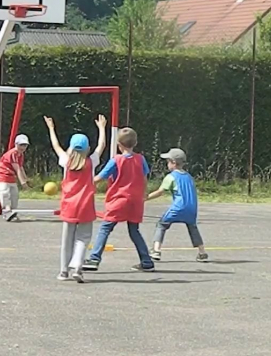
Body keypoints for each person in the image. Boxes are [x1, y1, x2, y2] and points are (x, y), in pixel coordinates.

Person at [44, 115, 107, 283]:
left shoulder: (66, 160)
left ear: (71, 148)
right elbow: (102, 146)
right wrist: (102, 128)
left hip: (69, 206)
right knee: (83, 238)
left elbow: (56, 145)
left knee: (67, 240)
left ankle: (64, 271)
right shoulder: (91, 161)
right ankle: (77, 266)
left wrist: (51, 128)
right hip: (86, 206)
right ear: (87, 149)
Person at [83, 127, 155, 272]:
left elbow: (99, 178)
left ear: (119, 145)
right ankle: (146, 261)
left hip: (119, 200)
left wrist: (84, 184)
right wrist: (144, 193)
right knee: (134, 230)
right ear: (135, 143)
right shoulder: (140, 159)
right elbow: (144, 178)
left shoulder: (116, 160)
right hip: (135, 201)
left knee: (105, 228)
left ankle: (94, 259)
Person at [146, 148, 208, 262]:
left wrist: (146, 198)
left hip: (178, 208)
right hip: (192, 208)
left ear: (173, 163)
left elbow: (160, 192)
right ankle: (202, 252)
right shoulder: (189, 177)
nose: (167, 164)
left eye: (168, 162)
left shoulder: (171, 177)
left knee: (161, 224)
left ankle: (156, 250)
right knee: (192, 227)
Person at [0, 134, 31, 222]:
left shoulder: (21, 155)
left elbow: (21, 168)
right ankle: (6, 211)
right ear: (16, 144)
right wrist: (23, 183)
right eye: (21, 145)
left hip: (11, 177)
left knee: (15, 195)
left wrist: (26, 179)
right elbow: (17, 169)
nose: (23, 147)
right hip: (2, 176)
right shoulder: (13, 153)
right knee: (4, 193)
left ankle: (12, 212)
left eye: (25, 145)